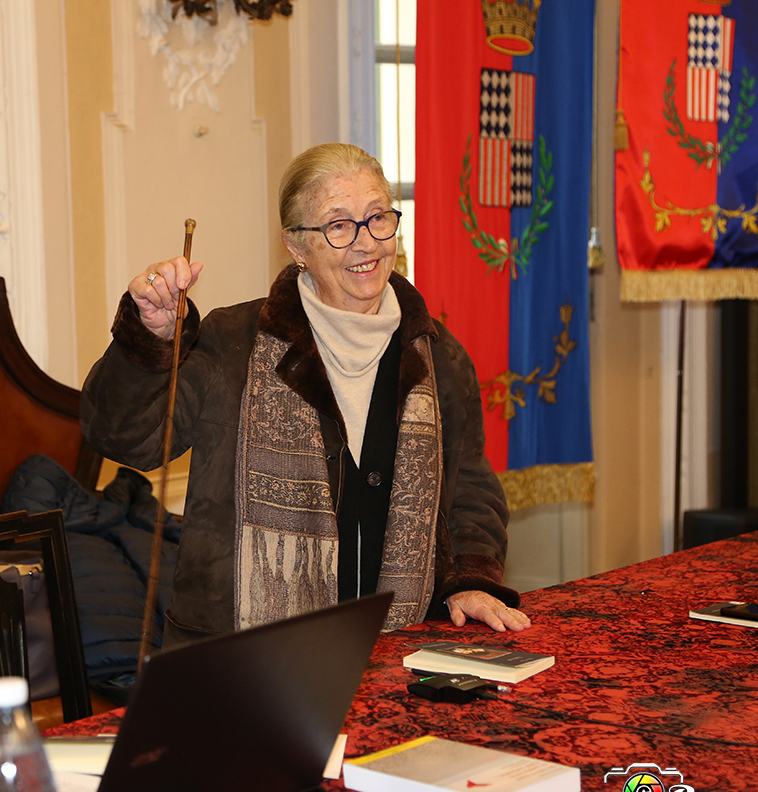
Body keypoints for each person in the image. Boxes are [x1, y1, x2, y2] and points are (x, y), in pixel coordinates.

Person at [81, 142, 528, 648]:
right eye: (338, 226)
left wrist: (469, 579)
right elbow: (122, 438)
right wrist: (153, 341)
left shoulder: (437, 355)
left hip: (400, 647)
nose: (366, 243)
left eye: (378, 217)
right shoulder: (232, 341)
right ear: (296, 247)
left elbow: (469, 484)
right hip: (242, 659)